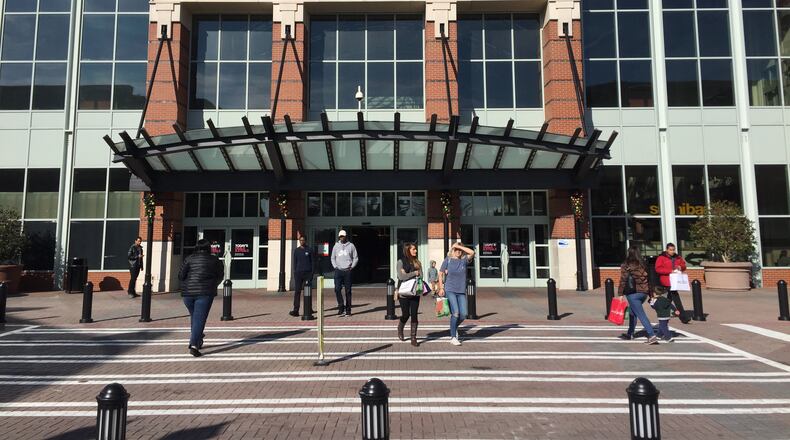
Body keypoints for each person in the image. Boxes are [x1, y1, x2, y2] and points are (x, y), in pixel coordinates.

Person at [178, 239, 224, 357]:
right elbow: (220, 275)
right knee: (199, 319)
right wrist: (214, 284)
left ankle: (198, 338)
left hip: (187, 293)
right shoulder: (214, 260)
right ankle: (193, 345)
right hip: (205, 292)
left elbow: (181, 275)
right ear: (209, 248)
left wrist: (186, 285)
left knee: (195, 317)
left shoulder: (189, 258)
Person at [618, 245, 659, 345]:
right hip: (643, 293)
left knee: (641, 315)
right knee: (633, 313)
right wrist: (650, 293)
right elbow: (649, 280)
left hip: (633, 293)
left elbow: (623, 280)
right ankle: (630, 333)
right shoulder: (643, 264)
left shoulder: (626, 264)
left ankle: (651, 335)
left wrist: (620, 294)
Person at [438, 242, 475, 346]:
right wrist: (441, 287)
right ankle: (453, 336)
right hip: (450, 289)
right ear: (452, 251)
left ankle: (453, 328)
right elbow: (440, 274)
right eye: (456, 250)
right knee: (456, 313)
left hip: (461, 291)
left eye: (460, 250)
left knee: (463, 314)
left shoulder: (464, 261)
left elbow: (472, 252)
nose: (459, 251)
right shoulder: (448, 260)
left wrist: (458, 246)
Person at [655, 243, 690, 324]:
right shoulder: (661, 257)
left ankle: (663, 309)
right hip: (667, 280)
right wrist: (670, 271)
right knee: (676, 297)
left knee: (669, 298)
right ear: (667, 250)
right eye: (670, 250)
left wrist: (681, 267)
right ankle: (683, 317)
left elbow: (684, 265)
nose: (672, 251)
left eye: (673, 250)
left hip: (675, 279)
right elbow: (658, 269)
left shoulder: (678, 257)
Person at [396, 243, 423, 346]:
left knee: (414, 314)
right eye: (413, 249)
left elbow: (421, 276)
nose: (416, 251)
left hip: (415, 292)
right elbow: (401, 277)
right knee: (406, 314)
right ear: (408, 250)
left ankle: (413, 337)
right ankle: (400, 328)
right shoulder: (400, 262)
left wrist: (410, 274)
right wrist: (413, 273)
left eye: (415, 249)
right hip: (403, 292)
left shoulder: (417, 262)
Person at [331, 229, 358, 316]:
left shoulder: (351, 246)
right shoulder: (336, 246)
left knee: (348, 291)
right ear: (339, 237)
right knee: (337, 289)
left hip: (347, 271)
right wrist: (335, 266)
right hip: (338, 271)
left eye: (343, 236)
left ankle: (348, 310)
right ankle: (341, 306)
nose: (342, 238)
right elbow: (332, 258)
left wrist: (352, 266)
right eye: (340, 236)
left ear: (346, 236)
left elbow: (355, 257)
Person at [290, 236, 314, 317]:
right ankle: (296, 310)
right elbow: (295, 262)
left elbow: (313, 263)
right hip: (298, 274)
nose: (302, 241)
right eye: (300, 240)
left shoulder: (310, 250)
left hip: (307, 274)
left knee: (307, 292)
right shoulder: (296, 250)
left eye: (303, 240)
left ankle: (309, 309)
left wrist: (311, 274)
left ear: (305, 241)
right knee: (297, 291)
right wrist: (295, 272)